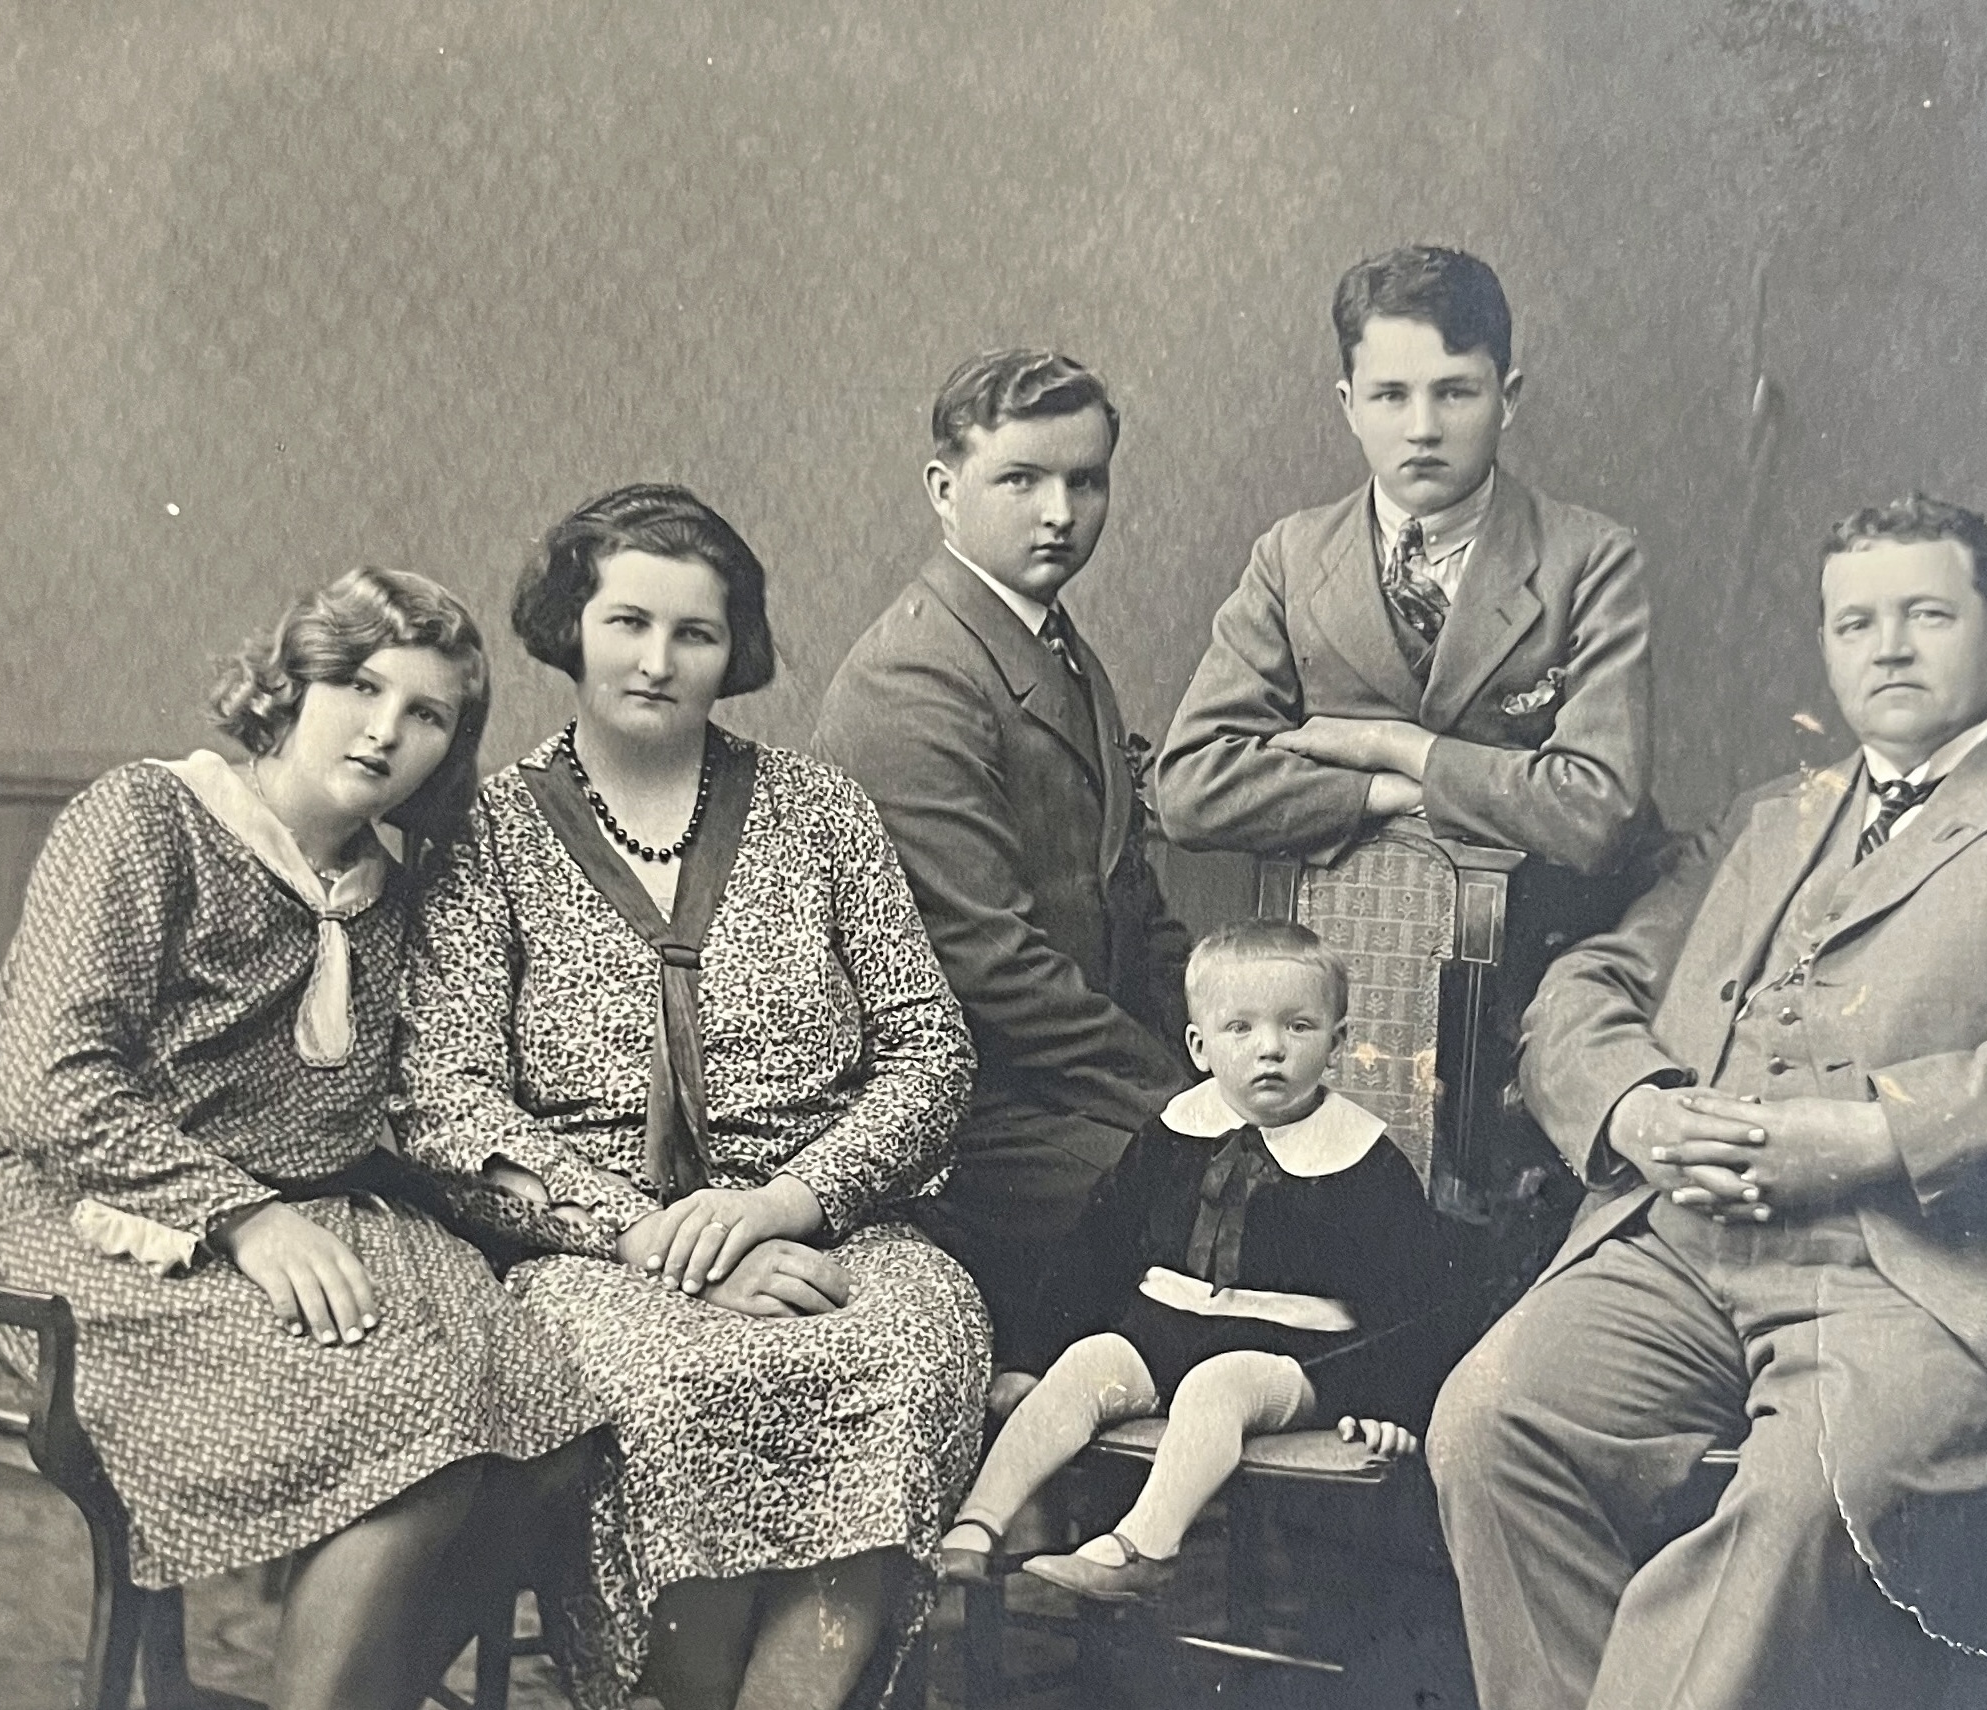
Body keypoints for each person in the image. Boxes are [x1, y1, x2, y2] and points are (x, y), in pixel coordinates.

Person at [1426, 495, 1987, 1709]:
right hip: (1682, 1246)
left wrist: (1874, 1132)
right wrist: (1634, 1108)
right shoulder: (1765, 818)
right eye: (1854, 624)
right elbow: (1591, 983)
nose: (1886, 648)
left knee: (1799, 1502)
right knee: (1488, 1422)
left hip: (1916, 1275)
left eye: (1924, 616)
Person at [0, 568, 603, 1710]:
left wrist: (619, 1223)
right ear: (292, 685)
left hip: (308, 1209)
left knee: (549, 1432)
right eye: (360, 687)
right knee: (419, 1429)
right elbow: (55, 1083)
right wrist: (244, 1219)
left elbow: (420, 1105)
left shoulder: (396, 894)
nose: (384, 730)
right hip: (92, 1221)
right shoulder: (145, 818)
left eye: (426, 714)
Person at [395, 483, 992, 1710]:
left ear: (736, 650)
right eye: (627, 622)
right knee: (673, 1387)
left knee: (908, 1348)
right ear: (570, 627)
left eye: (695, 633)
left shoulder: (822, 813)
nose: (657, 661)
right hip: (598, 1253)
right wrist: (654, 1237)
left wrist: (782, 1204)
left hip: (832, 1232)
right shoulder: (488, 831)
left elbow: (931, 1051)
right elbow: (442, 1097)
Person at [812, 350, 1194, 1356]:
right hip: (975, 1119)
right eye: (1020, 480)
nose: (1059, 513)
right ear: (944, 490)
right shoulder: (914, 675)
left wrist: (1222, 1050)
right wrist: (1184, 1105)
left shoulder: (1050, 643)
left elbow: (1134, 904)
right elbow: (988, 966)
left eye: (1085, 481)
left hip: (1074, 1084)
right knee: (1244, 1217)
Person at [937, 920, 1441, 1601]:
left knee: (1216, 1384)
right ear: (1200, 1048)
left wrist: (1387, 1405)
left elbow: (1413, 1303)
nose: (1270, 1048)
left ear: (1338, 1043)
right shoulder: (1174, 1133)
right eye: (1240, 1028)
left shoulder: (1365, 1162)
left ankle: (1144, 1547)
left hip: (1295, 1359)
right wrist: (1031, 1355)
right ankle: (976, 1527)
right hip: (1165, 1331)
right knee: (1086, 1363)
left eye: (1298, 1026)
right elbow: (1095, 1251)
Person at [1156, 242, 1657, 887]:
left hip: (1537, 937)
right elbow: (1191, 786)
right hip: (1336, 932)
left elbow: (1597, 808)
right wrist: (1381, 793)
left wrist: (1394, 746)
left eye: (1454, 393)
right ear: (1349, 406)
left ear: (1507, 399)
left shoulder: (1589, 560)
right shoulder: (1291, 557)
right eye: (1391, 395)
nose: (1423, 428)